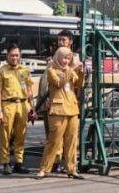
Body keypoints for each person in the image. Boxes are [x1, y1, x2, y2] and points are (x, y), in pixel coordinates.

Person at [36, 47, 85, 179]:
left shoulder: (69, 70)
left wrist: (81, 72)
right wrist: (71, 69)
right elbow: (59, 83)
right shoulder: (51, 70)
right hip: (58, 110)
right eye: (64, 58)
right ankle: (44, 168)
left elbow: (79, 84)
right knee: (54, 141)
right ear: (58, 57)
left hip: (72, 109)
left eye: (68, 58)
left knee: (72, 141)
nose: (66, 61)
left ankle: (71, 169)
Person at [0, 44, 35, 175]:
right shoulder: (2, 71)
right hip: (8, 105)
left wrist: (33, 108)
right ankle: (5, 163)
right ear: (7, 56)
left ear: (20, 56)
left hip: (22, 105)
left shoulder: (25, 71)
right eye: (12, 55)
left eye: (17, 55)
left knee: (20, 135)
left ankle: (19, 163)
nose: (14, 58)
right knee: (5, 136)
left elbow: (29, 91)